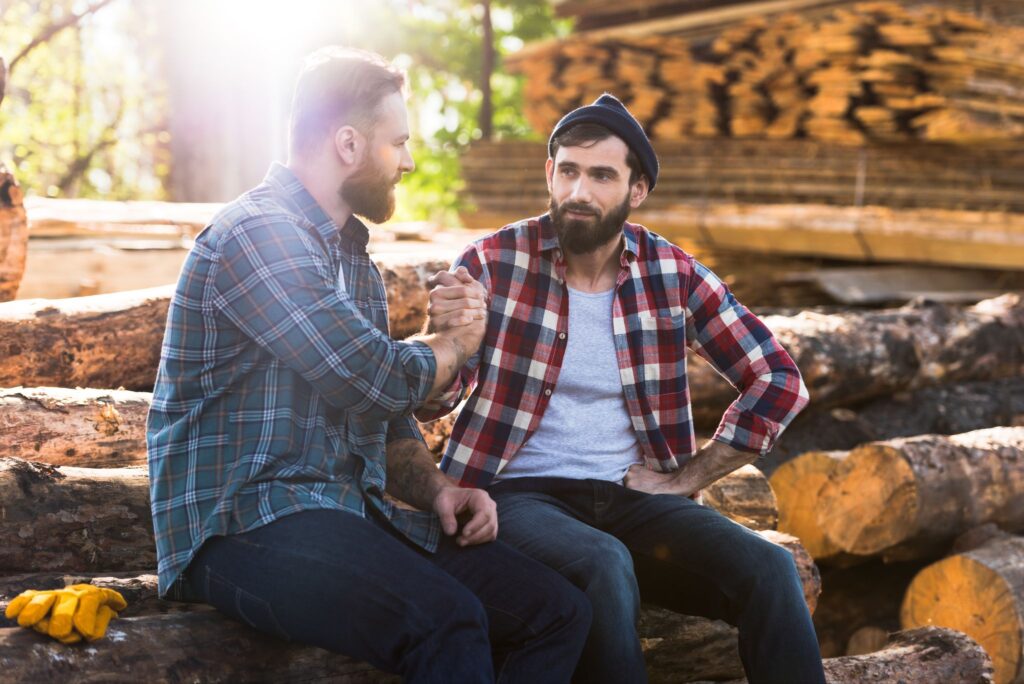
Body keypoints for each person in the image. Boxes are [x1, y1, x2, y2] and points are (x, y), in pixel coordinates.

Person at [146, 47, 590, 683]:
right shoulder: (256, 234)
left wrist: (440, 491)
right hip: (240, 527)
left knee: (557, 611)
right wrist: (455, 342)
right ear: (348, 143)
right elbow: (377, 376)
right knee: (447, 619)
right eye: (399, 142)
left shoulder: (353, 263)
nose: (408, 161)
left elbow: (379, 414)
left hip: (341, 514)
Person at [419, 94, 826, 684]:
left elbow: (778, 380)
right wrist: (442, 342)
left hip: (635, 500)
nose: (580, 191)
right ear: (550, 175)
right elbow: (437, 402)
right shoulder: (493, 262)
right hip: (516, 497)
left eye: (602, 175)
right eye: (569, 171)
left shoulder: (673, 274)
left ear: (636, 191)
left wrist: (687, 479)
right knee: (602, 563)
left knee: (769, 567)